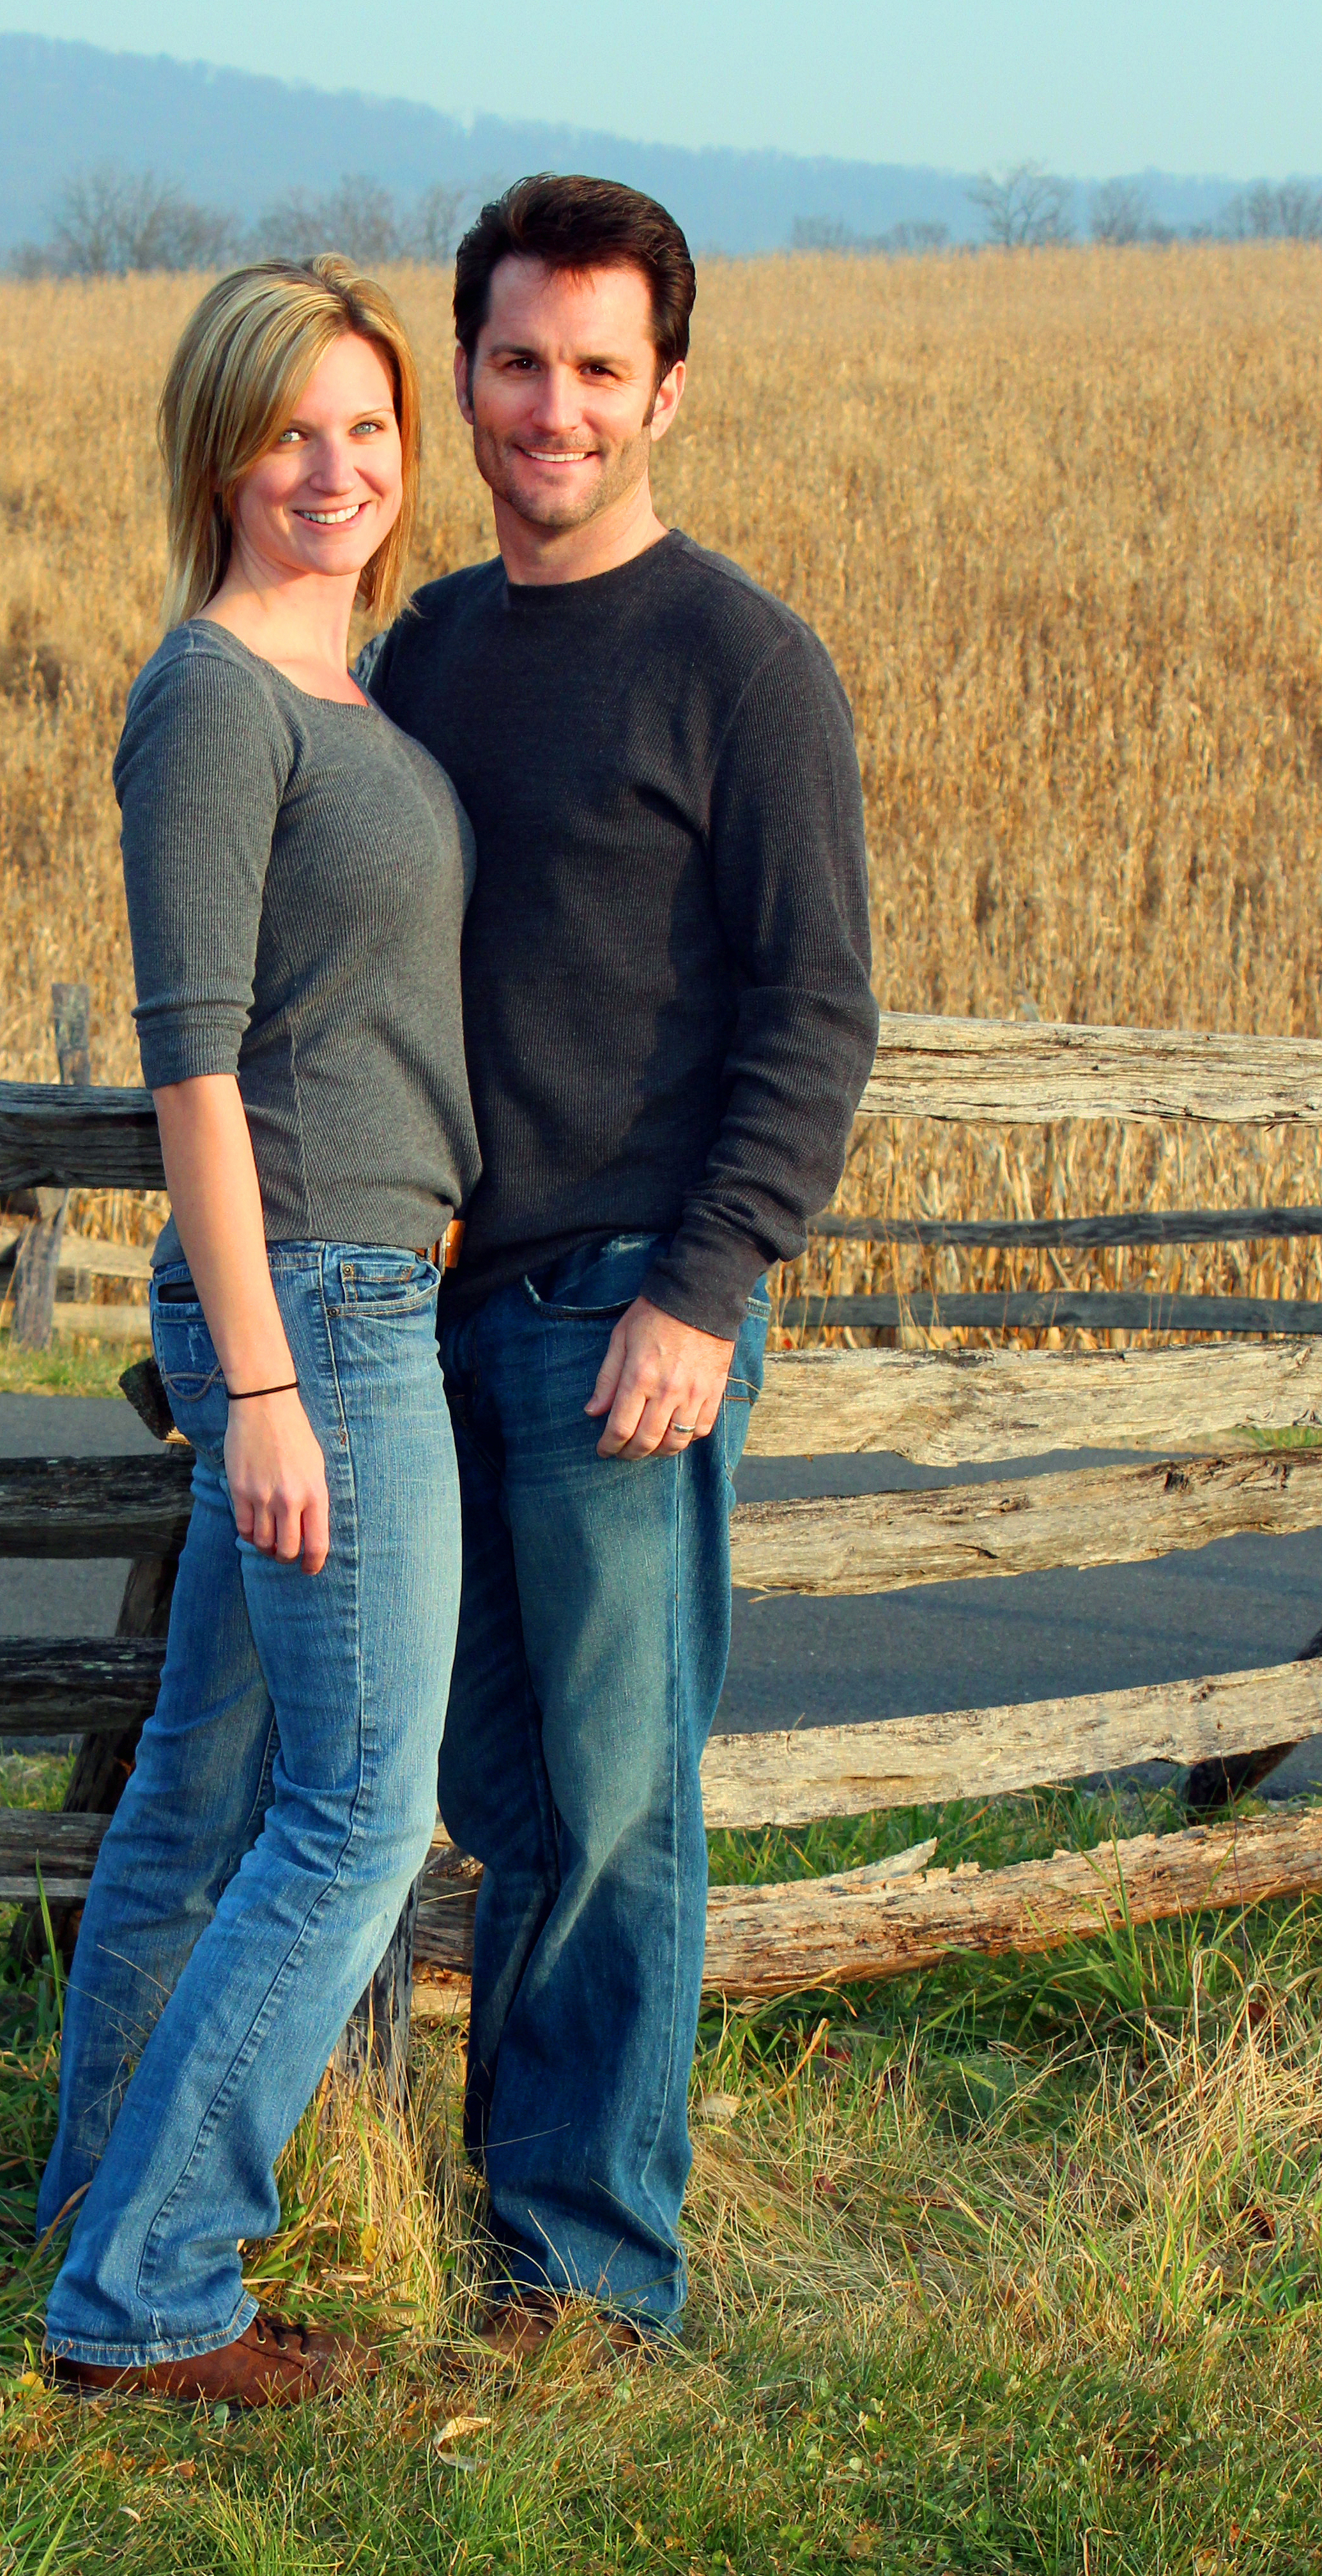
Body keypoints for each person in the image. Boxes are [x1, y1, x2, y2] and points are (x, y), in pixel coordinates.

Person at [359, 174, 879, 2345]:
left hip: (617, 1323)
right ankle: (499, 2221)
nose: (550, 407)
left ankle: (587, 2274)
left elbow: (815, 1010)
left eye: (597, 368)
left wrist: (705, 1284)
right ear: (465, 374)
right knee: (480, 1784)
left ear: (665, 386)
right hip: (435, 1311)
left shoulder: (740, 663)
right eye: (513, 362)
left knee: (611, 1802)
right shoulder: (432, 648)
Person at [36, 256, 480, 2407]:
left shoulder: (355, 685)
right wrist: (276, 1389)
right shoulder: (216, 694)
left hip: (349, 1280)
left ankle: (86, 2217)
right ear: (220, 449)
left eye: (370, 430)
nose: (338, 468)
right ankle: (150, 2296)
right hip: (310, 1307)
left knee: (195, 1795)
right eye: (292, 429)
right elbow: (194, 1067)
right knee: (358, 1816)